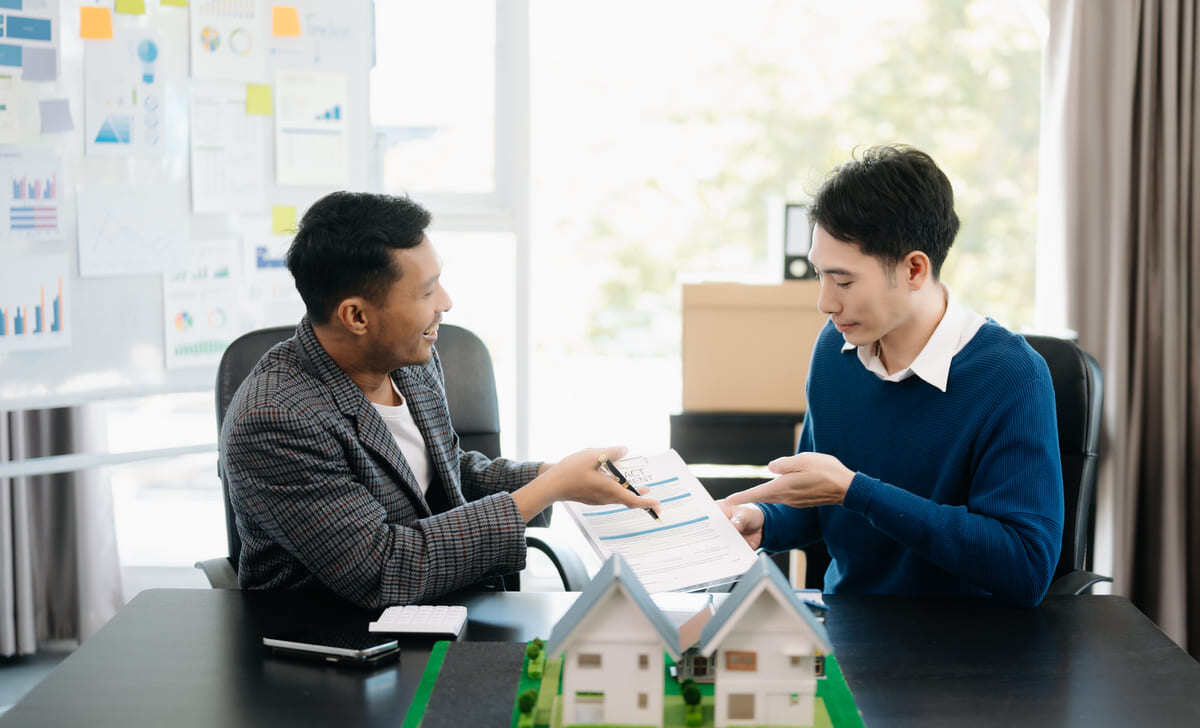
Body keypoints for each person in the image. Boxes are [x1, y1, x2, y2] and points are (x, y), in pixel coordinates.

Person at [220, 191, 660, 608]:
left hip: (442, 609)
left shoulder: (412, 361)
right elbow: (381, 568)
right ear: (356, 316)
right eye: (427, 292)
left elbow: (447, 476)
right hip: (333, 642)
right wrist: (549, 488)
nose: (445, 304)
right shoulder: (275, 417)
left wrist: (554, 476)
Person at [719, 146, 1064, 607]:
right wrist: (765, 520)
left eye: (843, 282)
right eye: (820, 276)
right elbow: (826, 503)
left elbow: (1025, 566)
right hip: (851, 631)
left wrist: (858, 492)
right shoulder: (834, 349)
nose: (826, 302)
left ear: (915, 269)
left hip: (974, 650)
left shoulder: (1011, 376)